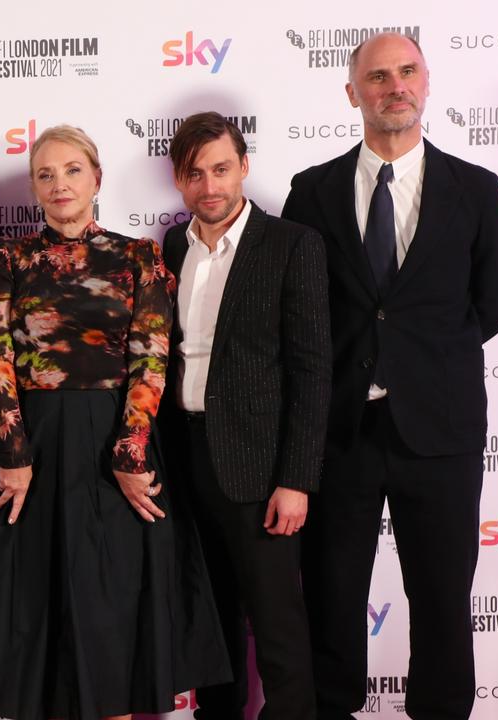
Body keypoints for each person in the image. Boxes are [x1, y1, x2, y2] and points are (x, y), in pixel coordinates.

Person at [0, 124, 229, 720]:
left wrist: (130, 456)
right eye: (45, 174)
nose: (60, 185)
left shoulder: (140, 256)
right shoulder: (7, 257)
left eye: (72, 170)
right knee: (29, 621)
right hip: (28, 449)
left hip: (115, 448)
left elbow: (151, 358)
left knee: (111, 623)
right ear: (32, 187)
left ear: (96, 178)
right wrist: (14, 453)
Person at [281, 32, 498, 720]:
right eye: (377, 77)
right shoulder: (312, 190)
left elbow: (496, 300)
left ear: (427, 81)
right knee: (332, 594)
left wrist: (424, 360)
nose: (395, 86)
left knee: (443, 598)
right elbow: (299, 309)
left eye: (407, 71)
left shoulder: (474, 189)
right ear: (353, 93)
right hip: (340, 432)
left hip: (439, 434)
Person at [159, 111, 330, 720]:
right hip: (185, 458)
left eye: (222, 169)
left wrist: (296, 479)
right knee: (210, 618)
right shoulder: (172, 245)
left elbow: (313, 372)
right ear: (179, 180)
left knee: (277, 626)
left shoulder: (292, 245)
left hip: (261, 470)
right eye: (195, 173)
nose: (210, 186)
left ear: (244, 167)